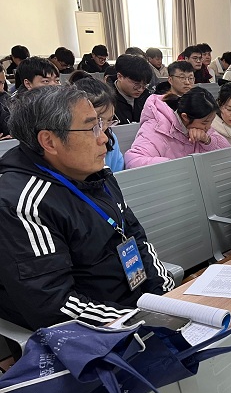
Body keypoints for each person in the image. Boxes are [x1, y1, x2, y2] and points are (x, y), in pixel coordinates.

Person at [0, 85, 174, 331]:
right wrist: (141, 321)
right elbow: (52, 305)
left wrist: (166, 296)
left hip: (135, 307)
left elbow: (136, 237)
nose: (104, 138)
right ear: (49, 141)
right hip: (99, 331)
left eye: (103, 125)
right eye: (92, 128)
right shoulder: (22, 204)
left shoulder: (97, 174)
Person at [124, 87, 230, 168]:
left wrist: (207, 141)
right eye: (205, 123)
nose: (208, 127)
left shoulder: (200, 126)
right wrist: (176, 166)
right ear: (185, 117)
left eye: (211, 121)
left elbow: (227, 153)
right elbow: (132, 160)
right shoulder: (157, 128)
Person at [70, 73, 125, 172]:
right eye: (98, 121)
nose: (104, 128)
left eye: (109, 120)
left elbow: (117, 173)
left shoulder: (110, 139)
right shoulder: (69, 141)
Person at [111, 54, 153, 124]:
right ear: (120, 77)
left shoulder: (148, 98)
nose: (140, 90)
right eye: (136, 84)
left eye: (144, 85)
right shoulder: (107, 100)